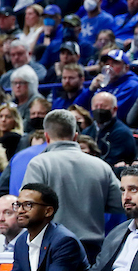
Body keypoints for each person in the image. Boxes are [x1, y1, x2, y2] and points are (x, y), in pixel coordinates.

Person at [22, 109, 123, 261]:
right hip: (93, 250)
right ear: (75, 136)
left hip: (52, 248)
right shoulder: (101, 166)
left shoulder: (39, 164)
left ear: (47, 137)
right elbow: (121, 202)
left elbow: (29, 208)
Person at [83, 90, 137, 165]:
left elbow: (113, 160)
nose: (99, 109)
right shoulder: (87, 131)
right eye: (96, 106)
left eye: (103, 106)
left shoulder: (122, 133)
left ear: (114, 109)